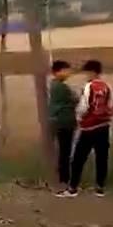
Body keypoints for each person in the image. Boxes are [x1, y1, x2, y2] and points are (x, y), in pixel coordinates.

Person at [59, 60, 113, 198]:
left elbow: (84, 106)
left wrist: (78, 117)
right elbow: (108, 105)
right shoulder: (106, 87)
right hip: (103, 125)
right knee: (101, 157)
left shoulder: (89, 86)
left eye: (87, 72)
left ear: (92, 72)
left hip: (89, 127)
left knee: (78, 157)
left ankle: (73, 187)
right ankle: (100, 187)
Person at [48, 60, 78, 190]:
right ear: (57, 72)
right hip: (64, 122)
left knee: (63, 151)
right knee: (65, 152)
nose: (68, 73)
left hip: (59, 121)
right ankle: (64, 180)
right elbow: (74, 99)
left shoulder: (54, 85)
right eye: (66, 70)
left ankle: (63, 178)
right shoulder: (61, 87)